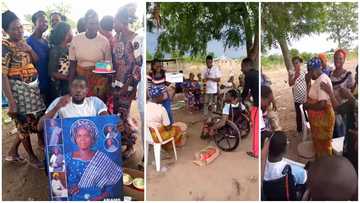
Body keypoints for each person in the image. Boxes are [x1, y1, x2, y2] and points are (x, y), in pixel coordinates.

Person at [2, 10, 45, 169]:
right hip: (18, 93)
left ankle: (12, 152)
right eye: (14, 28)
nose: (19, 30)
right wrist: (11, 102)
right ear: (6, 31)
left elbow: (36, 60)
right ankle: (32, 157)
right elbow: (3, 75)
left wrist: (28, 49)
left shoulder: (24, 42)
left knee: (32, 122)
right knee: (23, 124)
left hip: (32, 90)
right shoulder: (5, 47)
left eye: (20, 27)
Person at [66, 119, 122, 201]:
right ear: (74, 138)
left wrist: (100, 197)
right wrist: (68, 190)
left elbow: (113, 182)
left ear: (92, 138)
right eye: (79, 135)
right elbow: (58, 182)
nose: (83, 139)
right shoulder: (68, 158)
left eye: (87, 135)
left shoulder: (101, 158)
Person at [68, 9, 112, 102]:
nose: (94, 26)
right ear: (85, 24)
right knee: (81, 105)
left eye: (96, 23)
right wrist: (71, 85)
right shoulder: (76, 40)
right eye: (91, 23)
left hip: (98, 81)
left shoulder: (104, 41)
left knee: (96, 105)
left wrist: (94, 69)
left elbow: (109, 66)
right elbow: (72, 65)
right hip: (80, 80)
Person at [37, 76, 108, 130]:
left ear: (87, 90)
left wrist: (112, 122)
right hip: (68, 144)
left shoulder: (95, 102)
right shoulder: (61, 101)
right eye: (75, 87)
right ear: (70, 89)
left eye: (82, 87)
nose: (78, 90)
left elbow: (108, 121)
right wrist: (57, 107)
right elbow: (40, 126)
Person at [108, 6, 141, 119]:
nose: (113, 25)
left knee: (125, 117)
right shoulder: (115, 38)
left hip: (129, 86)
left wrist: (126, 87)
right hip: (115, 84)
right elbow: (114, 61)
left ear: (123, 22)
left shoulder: (136, 39)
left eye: (115, 22)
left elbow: (138, 67)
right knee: (115, 115)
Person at [320, 81, 358, 172]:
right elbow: (338, 109)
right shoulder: (354, 98)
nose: (356, 79)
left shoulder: (354, 100)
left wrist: (350, 97)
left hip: (353, 144)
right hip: (350, 142)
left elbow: (338, 108)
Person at [304, 57, 335, 158]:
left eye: (309, 71)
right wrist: (307, 82)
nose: (308, 74)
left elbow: (322, 104)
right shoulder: (317, 79)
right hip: (318, 123)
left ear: (313, 70)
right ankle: (321, 165)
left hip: (324, 122)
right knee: (319, 147)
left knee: (324, 147)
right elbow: (310, 95)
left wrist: (308, 105)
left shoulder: (323, 80)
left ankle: (325, 167)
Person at [26, 10, 52, 106]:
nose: (44, 24)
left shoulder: (45, 41)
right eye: (41, 21)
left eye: (46, 21)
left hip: (49, 81)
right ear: (34, 23)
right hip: (37, 83)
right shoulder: (29, 42)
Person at [329, 49, 354, 138]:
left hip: (343, 110)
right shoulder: (330, 75)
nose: (337, 61)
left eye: (340, 58)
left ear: (344, 60)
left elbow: (352, 93)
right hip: (332, 109)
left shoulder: (348, 75)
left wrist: (343, 93)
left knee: (342, 134)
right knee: (334, 135)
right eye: (335, 58)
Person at [48, 22, 73, 98]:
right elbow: (52, 72)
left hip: (67, 85)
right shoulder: (55, 50)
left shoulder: (69, 48)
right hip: (58, 88)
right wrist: (69, 78)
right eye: (70, 32)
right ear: (65, 34)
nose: (72, 34)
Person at [241, 58, 259, 158]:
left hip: (257, 105)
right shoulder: (256, 73)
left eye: (242, 67)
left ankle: (256, 153)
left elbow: (245, 91)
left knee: (255, 128)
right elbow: (254, 88)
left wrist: (240, 99)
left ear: (247, 66)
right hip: (261, 102)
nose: (241, 69)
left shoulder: (248, 75)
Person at [288, 56, 308, 136]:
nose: (296, 65)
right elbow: (290, 84)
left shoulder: (305, 71)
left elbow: (308, 81)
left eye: (297, 63)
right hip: (297, 97)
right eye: (294, 64)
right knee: (298, 115)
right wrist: (295, 77)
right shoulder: (291, 72)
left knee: (306, 113)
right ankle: (299, 131)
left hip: (305, 96)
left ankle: (308, 129)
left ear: (300, 63)